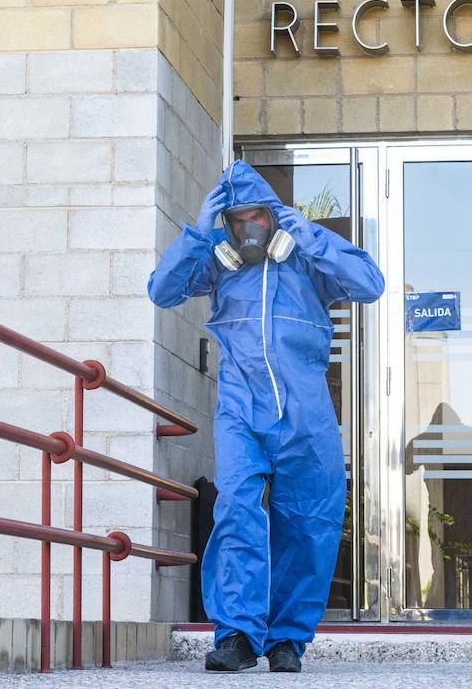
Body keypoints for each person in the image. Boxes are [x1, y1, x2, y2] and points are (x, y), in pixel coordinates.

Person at [148, 161, 384, 673]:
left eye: (257, 216)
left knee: (308, 523)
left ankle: (286, 641)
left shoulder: (304, 258)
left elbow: (370, 282)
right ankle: (235, 635)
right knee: (236, 510)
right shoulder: (220, 263)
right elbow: (161, 290)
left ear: (273, 215)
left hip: (307, 414)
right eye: (236, 220)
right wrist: (197, 230)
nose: (247, 228)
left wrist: (308, 234)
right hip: (241, 410)